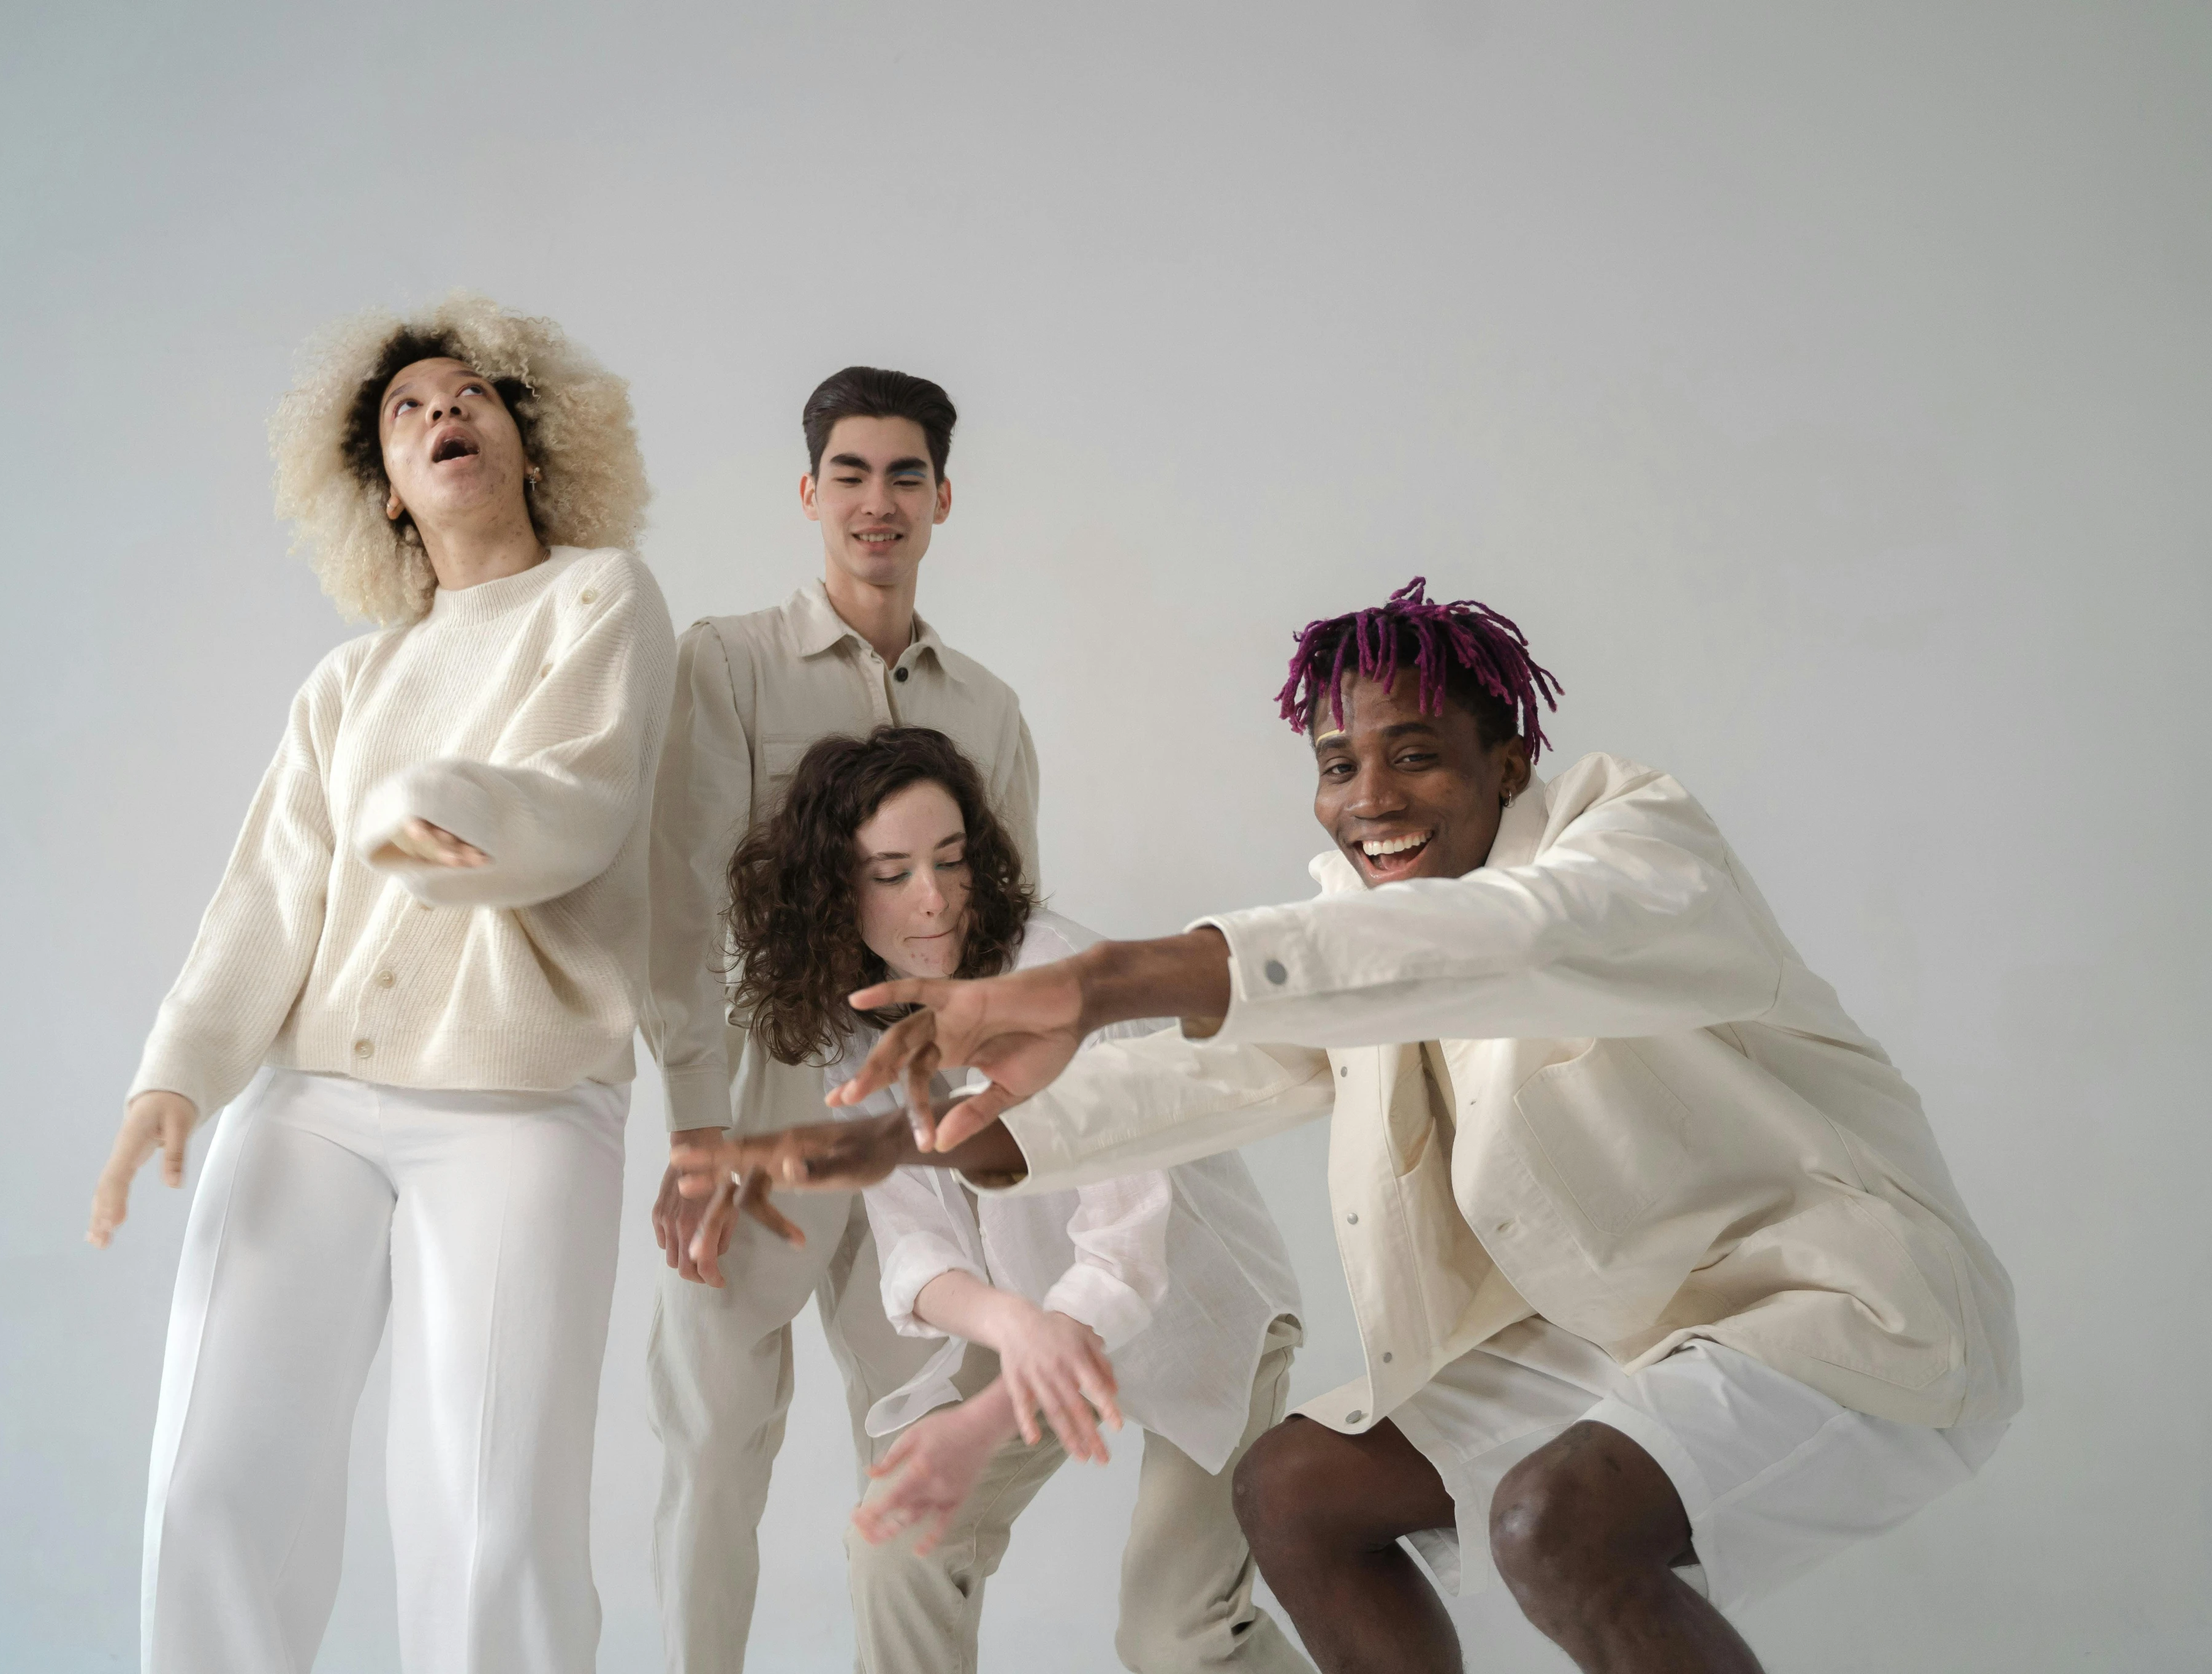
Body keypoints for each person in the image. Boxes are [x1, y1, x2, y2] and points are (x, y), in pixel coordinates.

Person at [676, 580, 2020, 1674]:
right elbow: (1188, 1087)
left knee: (1552, 1528)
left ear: (1510, 762)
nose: (1368, 795)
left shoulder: (1633, 845)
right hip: (1627, 1331)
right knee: (1297, 1490)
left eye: (1415, 755)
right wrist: (851, 1149)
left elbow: (1509, 940)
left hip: (1837, 1310)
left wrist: (1097, 985)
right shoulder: (1357, 931)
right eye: (1337, 763)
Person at [86, 294, 676, 1674]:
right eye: (406, 413)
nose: (439, 417)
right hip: (306, 1104)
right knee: (211, 1481)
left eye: (467, 396)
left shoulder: (600, 598)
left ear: (532, 444)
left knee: (488, 1515)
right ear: (387, 497)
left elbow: (575, 800)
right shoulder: (345, 683)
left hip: (519, 1106)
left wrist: (424, 806)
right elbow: (269, 900)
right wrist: (173, 1078)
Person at [695, 726, 1309, 1673]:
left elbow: (1127, 1245)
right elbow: (916, 1245)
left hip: (1197, 1309)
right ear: (834, 890)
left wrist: (1016, 1366)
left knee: (1178, 1636)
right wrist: (1013, 1327)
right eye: (892, 872)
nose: (933, 898)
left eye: (949, 861)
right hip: (1034, 1305)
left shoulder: (1048, 977)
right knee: (896, 1542)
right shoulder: (857, 1017)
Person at [639, 368, 1038, 1673]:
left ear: (940, 499)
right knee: (711, 1450)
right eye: (851, 475)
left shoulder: (984, 710)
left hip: (920, 1123)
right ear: (810, 494)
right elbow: (680, 901)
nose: (878, 503)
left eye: (905, 476)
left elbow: (1006, 942)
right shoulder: (731, 662)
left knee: (920, 1446)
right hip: (762, 1104)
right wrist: (698, 1125)